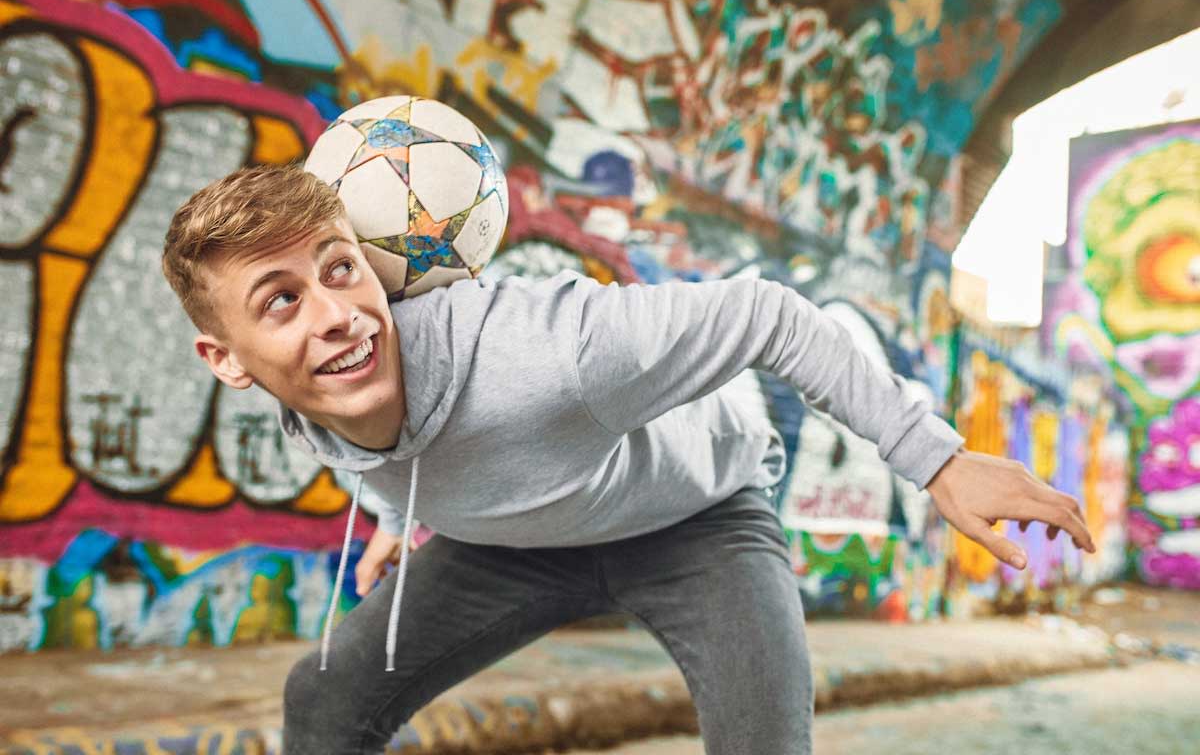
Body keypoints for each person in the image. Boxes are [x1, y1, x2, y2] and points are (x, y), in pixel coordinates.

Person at [162, 164, 1094, 754]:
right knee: (324, 696)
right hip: (510, 548)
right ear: (226, 360)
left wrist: (937, 461)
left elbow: (768, 314)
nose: (334, 315)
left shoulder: (551, 349)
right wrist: (405, 518)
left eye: (338, 268)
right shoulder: (328, 393)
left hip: (696, 521)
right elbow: (411, 431)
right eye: (279, 301)